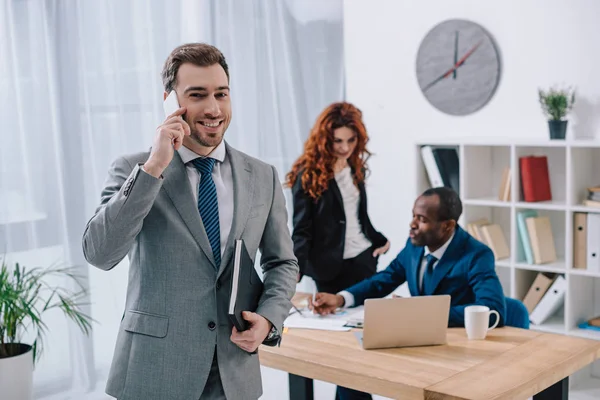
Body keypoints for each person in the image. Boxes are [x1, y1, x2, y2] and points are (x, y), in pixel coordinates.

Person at [82, 43, 298, 400]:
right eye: (197, 95)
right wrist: (154, 167)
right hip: (154, 371)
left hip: (233, 372)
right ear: (170, 101)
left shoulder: (262, 176)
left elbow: (282, 262)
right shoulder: (134, 168)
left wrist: (270, 317)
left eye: (221, 94)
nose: (213, 109)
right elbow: (100, 254)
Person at [285, 102, 389, 400]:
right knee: (342, 351)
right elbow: (302, 230)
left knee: (364, 343)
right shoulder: (308, 174)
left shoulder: (355, 166)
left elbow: (357, 216)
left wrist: (378, 239)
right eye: (338, 141)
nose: (345, 147)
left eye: (351, 140)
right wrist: (296, 269)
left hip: (364, 262)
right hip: (329, 269)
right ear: (324, 139)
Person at [311, 187, 506, 331]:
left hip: (456, 346)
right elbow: (384, 280)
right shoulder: (414, 246)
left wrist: (419, 311)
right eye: (413, 216)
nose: (412, 224)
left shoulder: (476, 255)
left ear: (447, 226)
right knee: (351, 374)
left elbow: (491, 309)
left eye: (422, 219)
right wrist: (341, 298)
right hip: (417, 338)